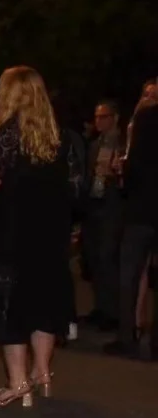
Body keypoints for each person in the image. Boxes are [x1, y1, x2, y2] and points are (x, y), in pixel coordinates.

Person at [0, 67, 80, 405]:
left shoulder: (9, 133)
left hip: (13, 234)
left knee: (10, 306)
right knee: (44, 301)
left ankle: (18, 384)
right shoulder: (57, 136)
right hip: (49, 235)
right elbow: (73, 185)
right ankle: (42, 373)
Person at [104, 94, 158, 360]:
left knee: (129, 276)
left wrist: (124, 176)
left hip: (141, 210)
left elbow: (133, 166)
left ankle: (127, 336)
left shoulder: (145, 118)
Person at [81, 101, 125, 331]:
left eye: (104, 117)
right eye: (97, 117)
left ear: (115, 118)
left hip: (112, 208)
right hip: (94, 205)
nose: (99, 122)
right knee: (95, 258)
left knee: (108, 258)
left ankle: (113, 312)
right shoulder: (94, 145)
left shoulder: (122, 144)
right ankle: (101, 308)